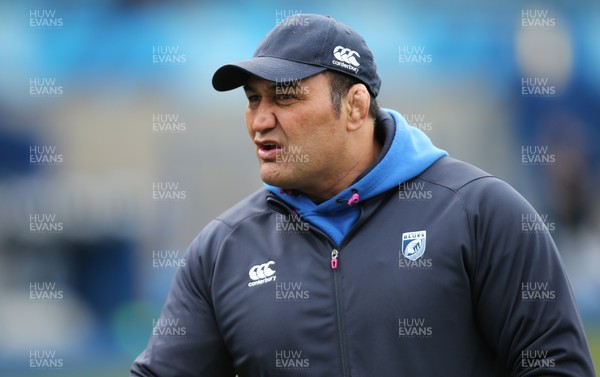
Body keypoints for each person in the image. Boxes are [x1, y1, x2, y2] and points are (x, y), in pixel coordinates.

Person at [131, 13, 595, 376]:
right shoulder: (221, 250)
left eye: (285, 97)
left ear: (354, 107)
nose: (260, 120)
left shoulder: (481, 212)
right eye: (254, 99)